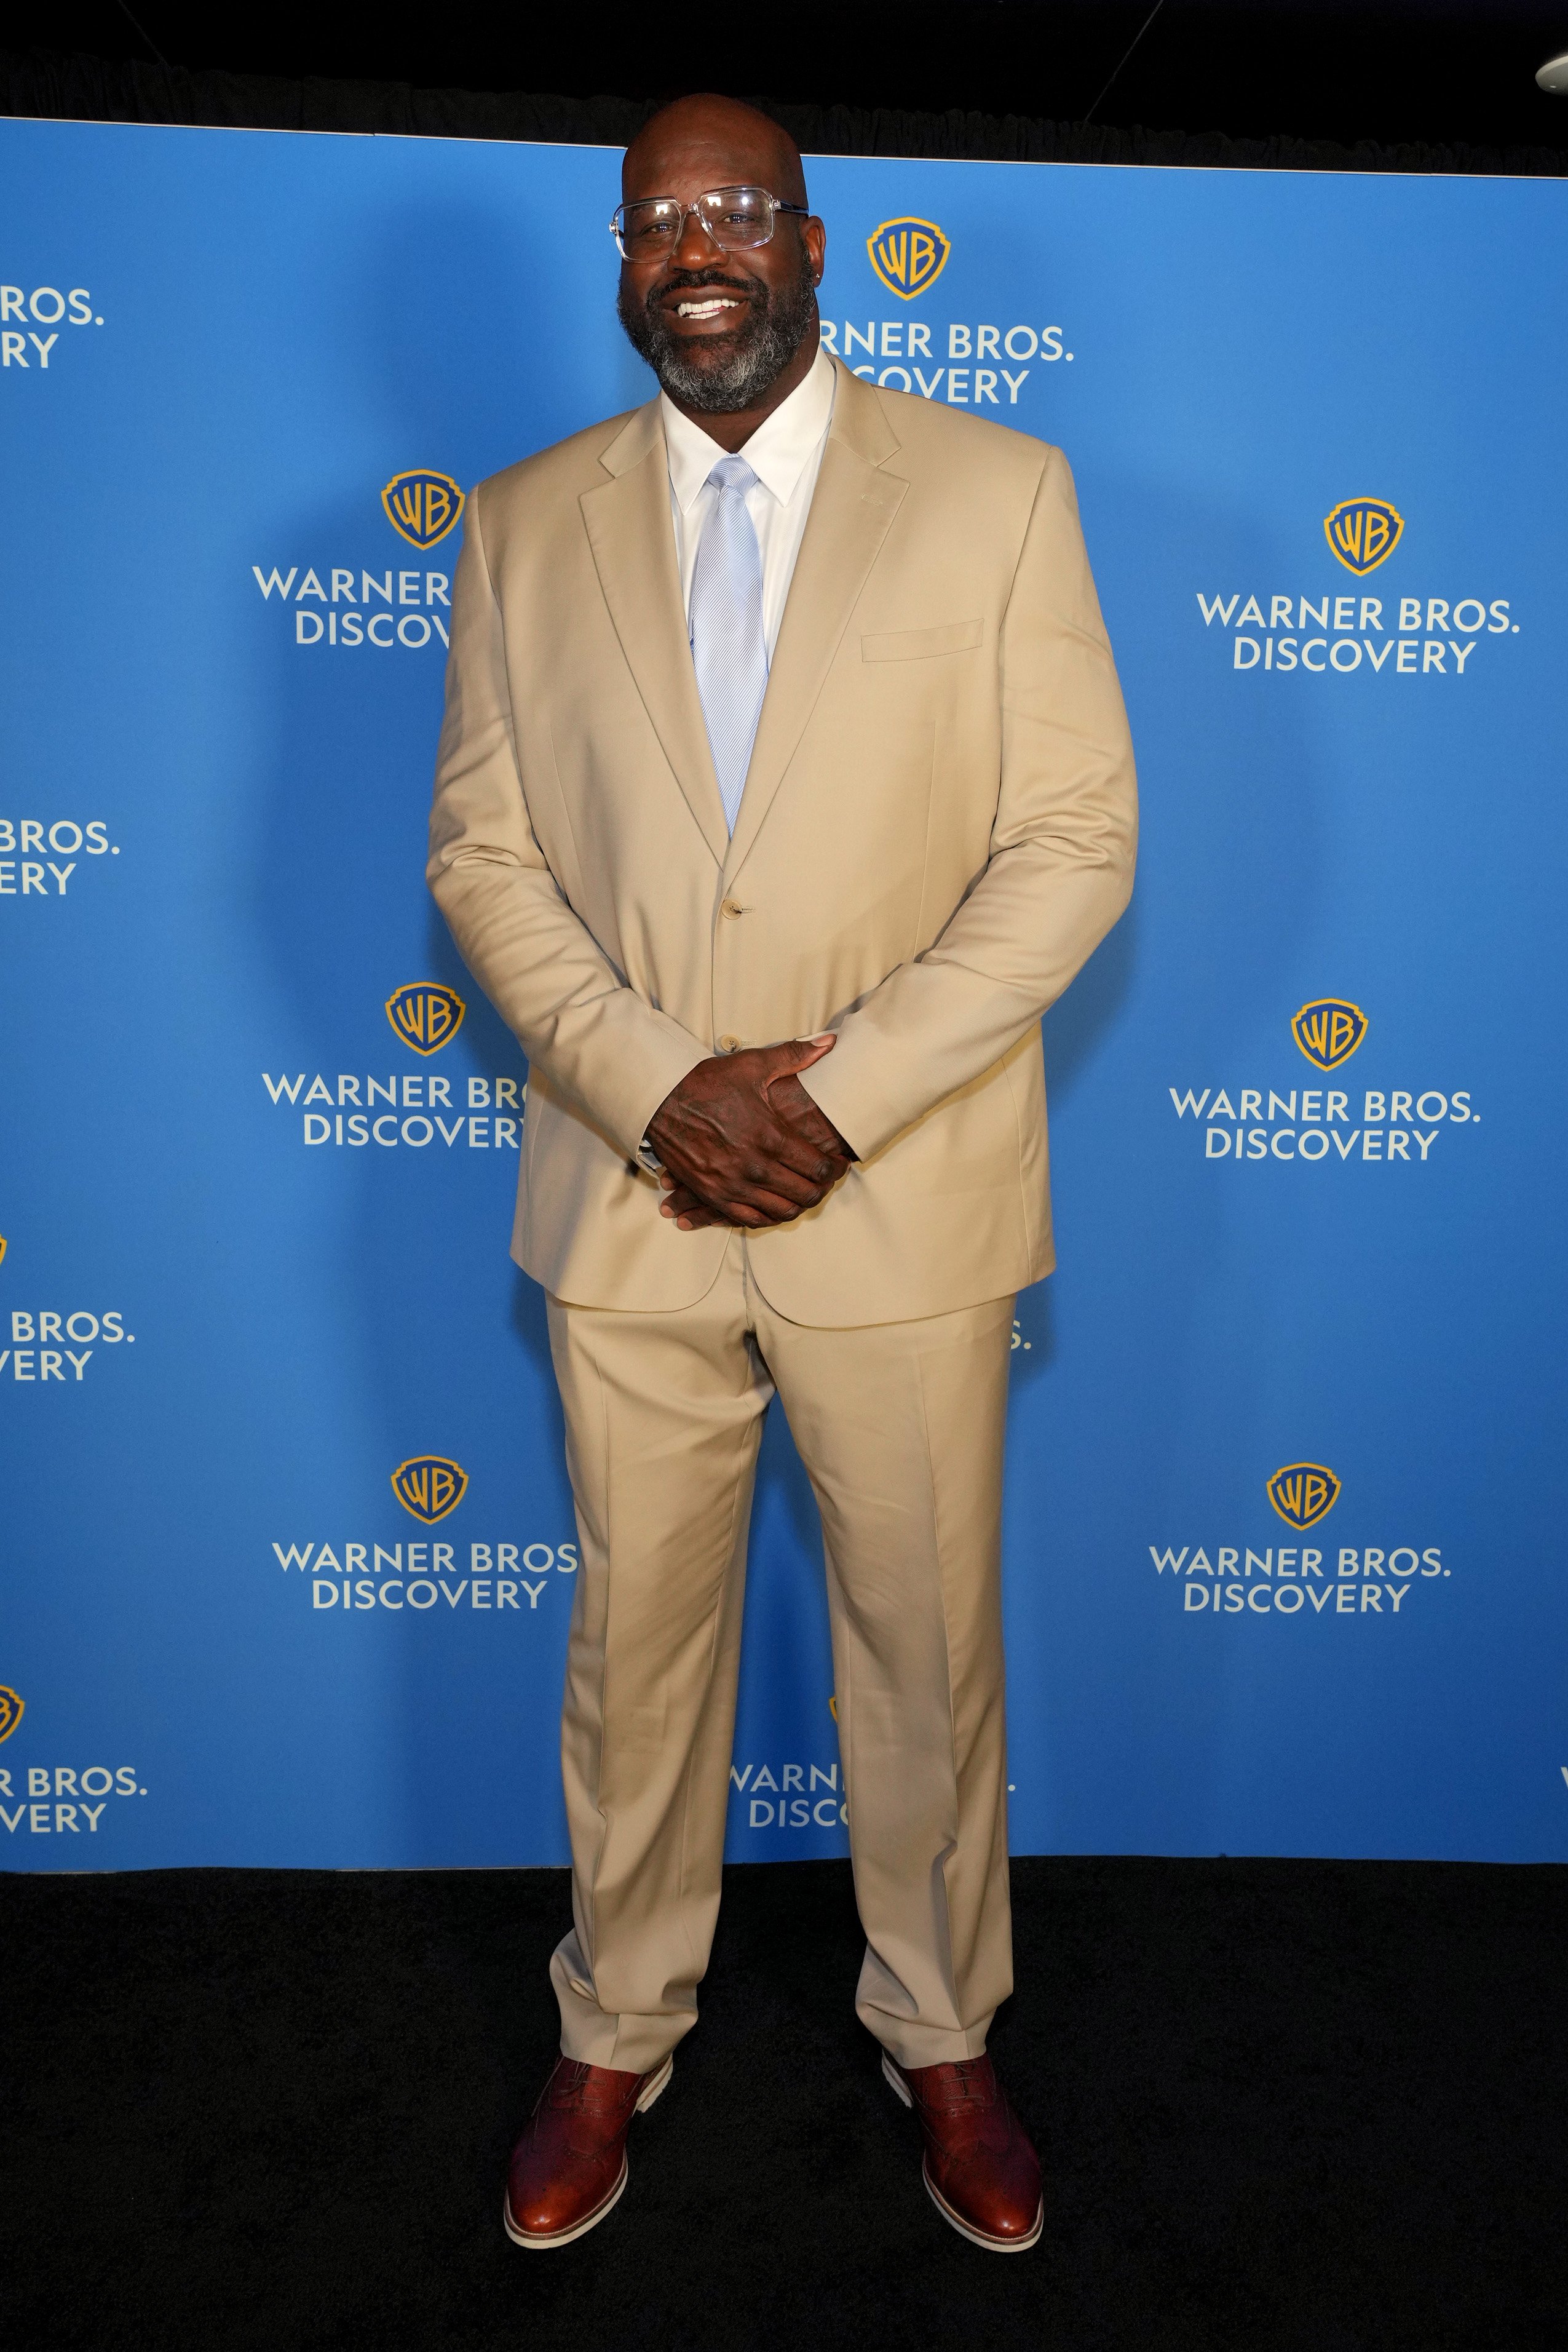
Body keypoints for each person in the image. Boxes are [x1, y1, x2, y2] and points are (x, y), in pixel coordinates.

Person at [428, 92, 1137, 2254]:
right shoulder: (525, 519)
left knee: (923, 1650)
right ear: (623, 261)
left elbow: (1072, 840)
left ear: (817, 246)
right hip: (634, 1200)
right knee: (636, 1649)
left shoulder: (1002, 494)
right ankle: (618, 2020)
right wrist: (663, 1085)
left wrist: (835, 1093)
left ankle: (942, 2027)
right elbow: (486, 851)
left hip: (898, 1196)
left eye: (737, 210)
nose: (696, 247)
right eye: (658, 220)